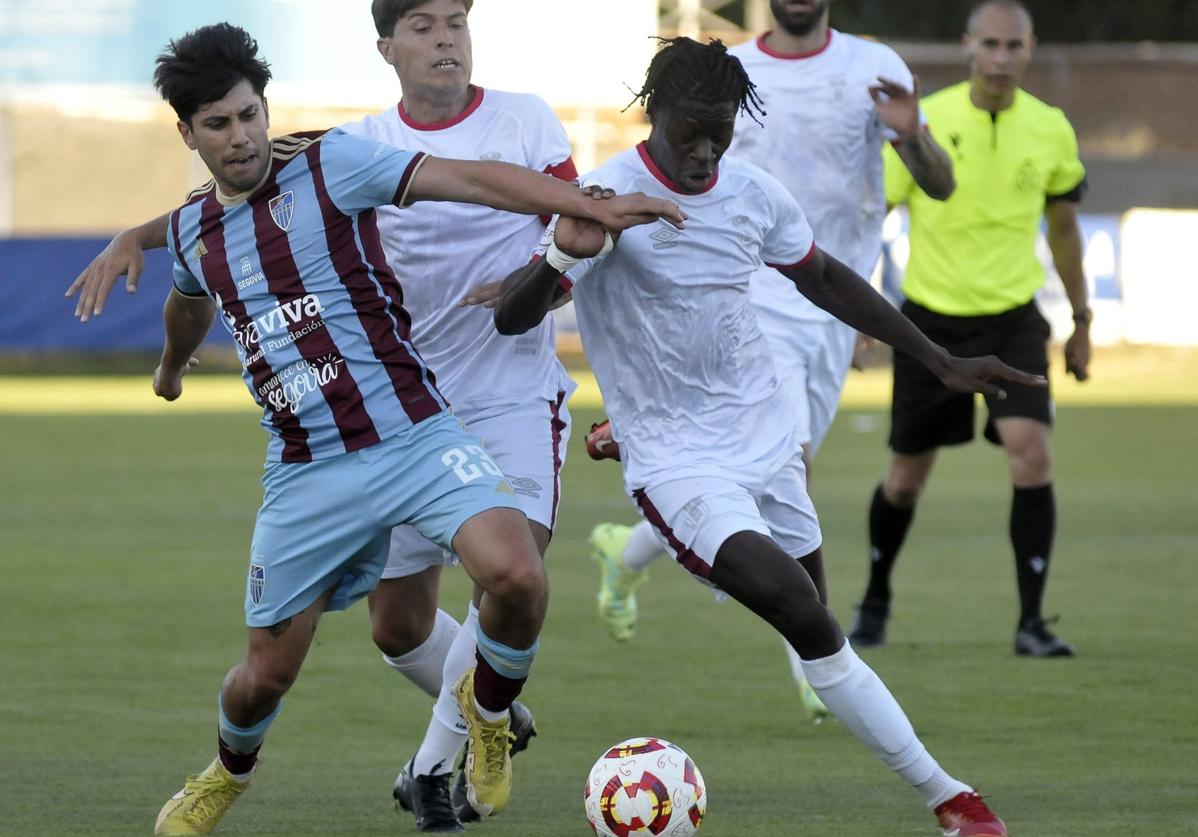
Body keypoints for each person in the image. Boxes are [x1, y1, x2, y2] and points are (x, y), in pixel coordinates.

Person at [122, 23, 681, 836]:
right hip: (306, 473)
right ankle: (224, 773)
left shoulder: (331, 165)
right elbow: (186, 297)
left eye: (249, 115)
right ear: (188, 134)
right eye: (218, 124)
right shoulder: (192, 231)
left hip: (417, 435)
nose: (240, 137)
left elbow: (476, 180)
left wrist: (587, 203)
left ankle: (488, 718)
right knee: (263, 677)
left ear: (265, 109)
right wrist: (172, 368)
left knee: (518, 577)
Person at [493, 36, 1027, 836]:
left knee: (815, 622)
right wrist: (559, 253)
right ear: (656, 116)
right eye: (690, 134)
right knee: (802, 612)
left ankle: (945, 795)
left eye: (721, 132)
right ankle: (953, 797)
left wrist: (939, 358)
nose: (706, 151)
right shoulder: (605, 193)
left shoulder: (751, 193)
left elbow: (825, 278)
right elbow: (513, 315)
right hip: (675, 459)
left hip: (768, 438)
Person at [584, 0, 957, 724]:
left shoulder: (875, 69)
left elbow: (938, 184)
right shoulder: (725, 72)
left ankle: (623, 552)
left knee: (772, 468)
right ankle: (816, 660)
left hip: (831, 301)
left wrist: (915, 140)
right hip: (750, 296)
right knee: (782, 456)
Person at [848, 0, 1090, 658]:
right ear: (968, 47)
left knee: (1032, 456)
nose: (1003, 58)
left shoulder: (1051, 129)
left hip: (1014, 316)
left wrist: (1081, 320)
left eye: (1015, 46)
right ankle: (873, 602)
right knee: (904, 479)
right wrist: (859, 316)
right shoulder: (930, 121)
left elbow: (1065, 232)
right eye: (992, 44)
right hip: (929, 321)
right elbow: (878, 218)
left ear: (1031, 49)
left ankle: (1032, 623)